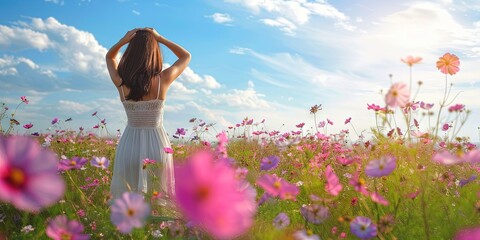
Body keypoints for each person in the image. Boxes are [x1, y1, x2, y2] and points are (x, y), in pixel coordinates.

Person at [106, 28, 191, 200]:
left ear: (130, 53)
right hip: (157, 145)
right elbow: (185, 56)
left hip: (129, 145)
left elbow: (110, 57)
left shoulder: (121, 82)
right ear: (154, 52)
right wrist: (160, 37)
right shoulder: (163, 79)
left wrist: (123, 40)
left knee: (127, 199)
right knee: (158, 198)